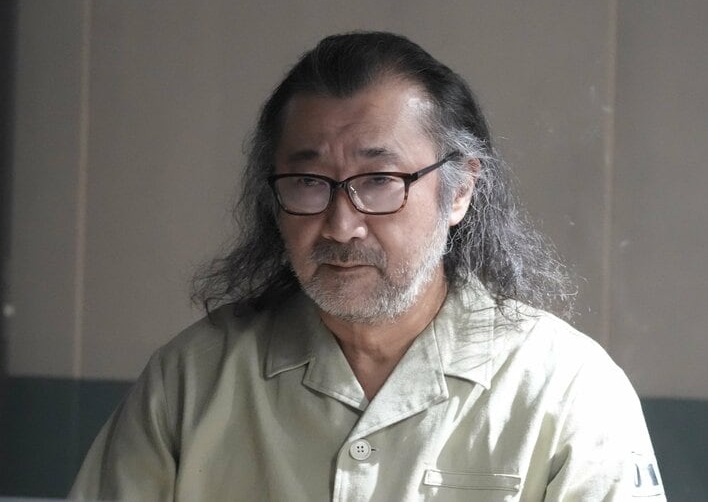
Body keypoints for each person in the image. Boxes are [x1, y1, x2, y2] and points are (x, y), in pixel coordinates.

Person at [70, 31, 664, 501]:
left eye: (379, 180)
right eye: (308, 182)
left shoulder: (566, 389)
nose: (340, 224)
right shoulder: (191, 382)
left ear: (460, 190)